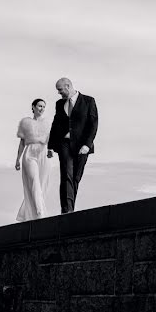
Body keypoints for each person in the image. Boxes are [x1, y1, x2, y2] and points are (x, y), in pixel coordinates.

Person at [48, 78, 99, 213]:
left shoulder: (89, 101)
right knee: (66, 176)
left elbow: (93, 124)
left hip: (82, 146)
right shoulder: (59, 104)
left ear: (68, 86)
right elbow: (55, 124)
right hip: (64, 143)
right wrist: (51, 146)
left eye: (60, 90)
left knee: (75, 178)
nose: (59, 93)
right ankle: (66, 211)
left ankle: (71, 210)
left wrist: (87, 145)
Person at [14, 99, 51, 221]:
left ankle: (28, 214)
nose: (42, 108)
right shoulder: (25, 122)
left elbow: (51, 139)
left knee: (42, 185)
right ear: (33, 107)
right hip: (30, 154)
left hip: (44, 153)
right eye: (39, 106)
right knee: (34, 181)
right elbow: (22, 143)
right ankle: (40, 213)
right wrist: (17, 159)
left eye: (44, 107)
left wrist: (51, 150)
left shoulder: (48, 123)